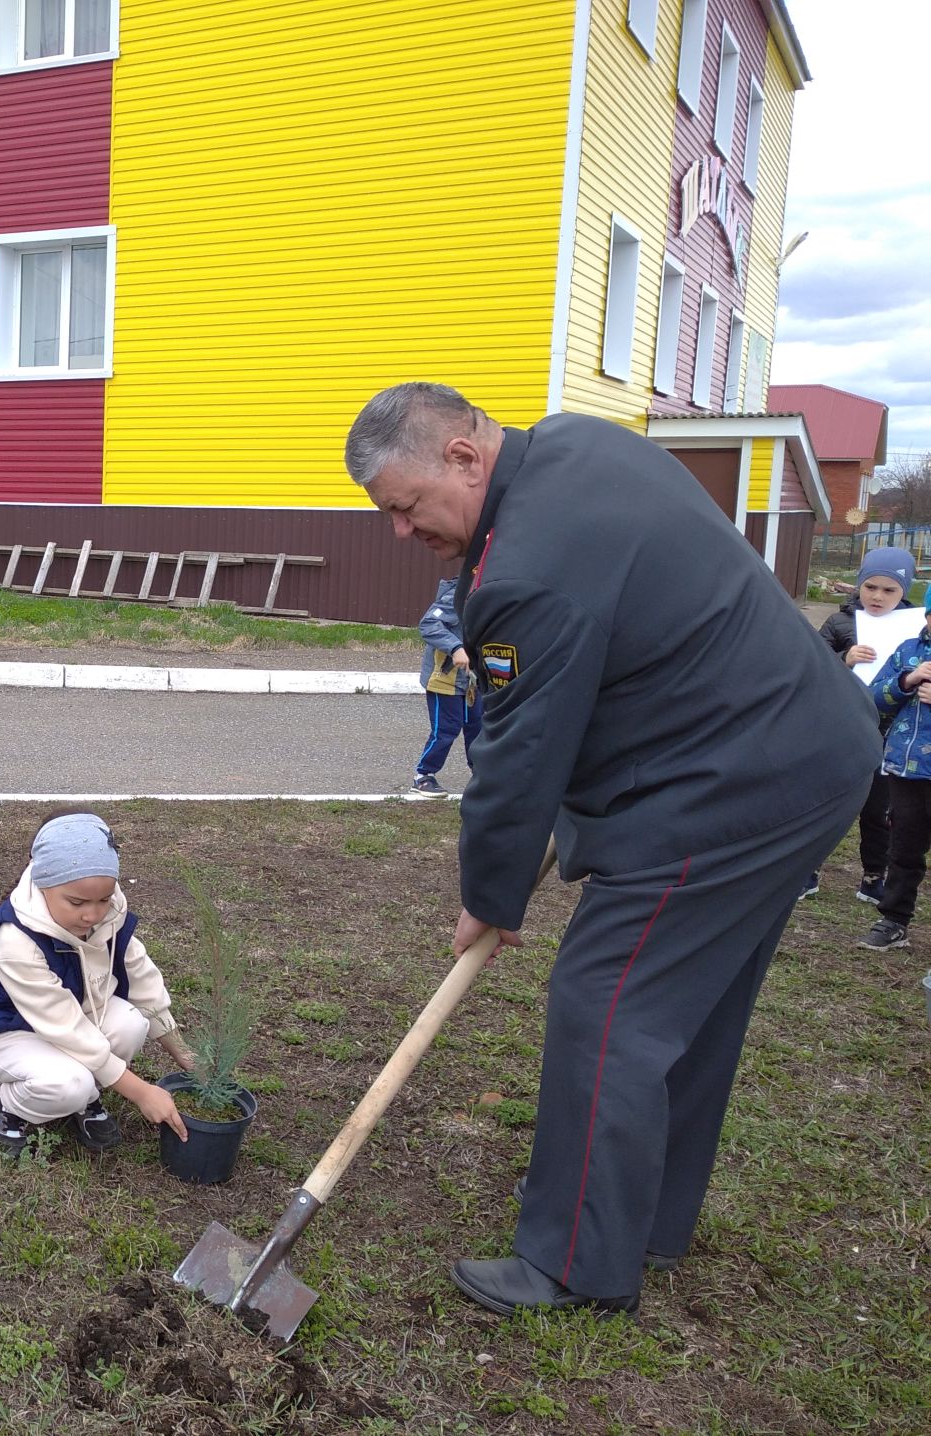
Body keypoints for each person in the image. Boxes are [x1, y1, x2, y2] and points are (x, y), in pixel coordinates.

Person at [345, 382, 876, 1317]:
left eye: (403, 506)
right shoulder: (577, 445)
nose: (399, 531)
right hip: (807, 752)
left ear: (464, 458)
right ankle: (648, 1222)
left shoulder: (525, 573)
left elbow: (516, 759)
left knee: (609, 1003)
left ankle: (577, 1263)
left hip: (728, 784)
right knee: (689, 1005)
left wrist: (491, 895)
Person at [0, 812, 196, 1158]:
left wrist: (182, 1051)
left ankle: (88, 1096)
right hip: (7, 1029)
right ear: (43, 884)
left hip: (72, 1011)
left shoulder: (103, 901)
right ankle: (6, 1106)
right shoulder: (15, 944)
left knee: (131, 1024)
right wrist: (141, 1092)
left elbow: (139, 972)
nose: (93, 915)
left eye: (103, 900)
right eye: (78, 903)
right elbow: (65, 1028)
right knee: (69, 1084)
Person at [802, 546, 914, 903]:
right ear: (859, 586)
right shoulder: (839, 623)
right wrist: (843, 659)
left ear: (904, 591)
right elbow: (810, 667)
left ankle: (872, 877)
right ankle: (808, 871)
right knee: (827, 802)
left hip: (890, 732)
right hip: (840, 728)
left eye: (889, 590)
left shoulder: (915, 629)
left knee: (879, 809)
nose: (878, 597)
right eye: (870, 587)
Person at [857, 614, 931, 952]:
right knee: (904, 848)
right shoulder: (908, 651)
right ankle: (894, 920)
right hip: (907, 769)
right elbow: (874, 698)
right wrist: (908, 680)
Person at [413, 576, 481, 795]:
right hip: (445, 679)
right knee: (445, 730)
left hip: (474, 679)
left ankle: (483, 775)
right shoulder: (457, 596)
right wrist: (455, 648)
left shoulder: (492, 594)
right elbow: (429, 624)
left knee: (478, 729)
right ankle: (423, 775)